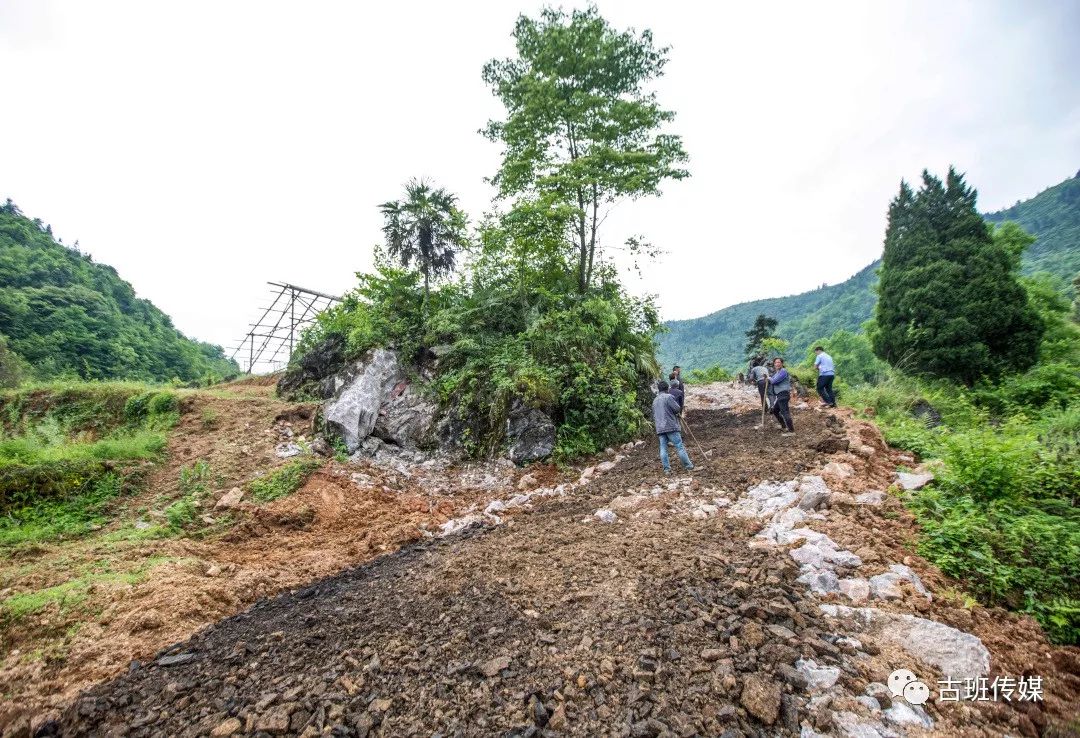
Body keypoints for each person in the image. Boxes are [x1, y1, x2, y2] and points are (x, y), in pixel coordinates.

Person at [653, 380, 694, 474]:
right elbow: (677, 409)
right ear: (667, 389)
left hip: (660, 427)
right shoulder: (669, 397)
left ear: (659, 389)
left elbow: (654, 415)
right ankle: (688, 466)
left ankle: (667, 469)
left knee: (663, 448)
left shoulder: (655, 400)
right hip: (671, 426)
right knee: (679, 446)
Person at [768, 357, 794, 434]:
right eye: (776, 362)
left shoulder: (783, 371)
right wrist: (768, 379)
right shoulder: (777, 373)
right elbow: (772, 379)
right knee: (775, 410)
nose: (777, 364)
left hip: (783, 394)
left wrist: (769, 379)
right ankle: (783, 426)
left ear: (782, 363)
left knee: (785, 412)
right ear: (774, 364)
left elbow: (774, 381)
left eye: (779, 362)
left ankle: (791, 431)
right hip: (779, 395)